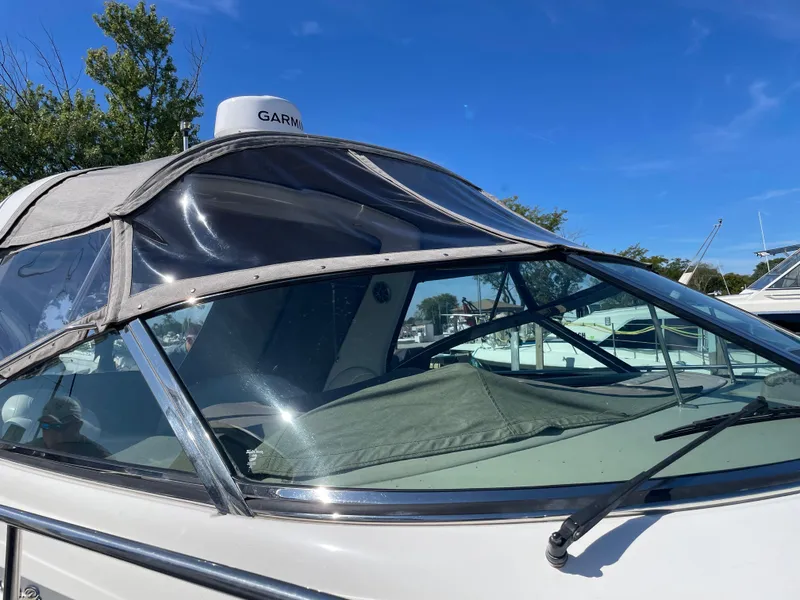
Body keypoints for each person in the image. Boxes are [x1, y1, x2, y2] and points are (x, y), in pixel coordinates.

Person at [31, 395, 109, 459]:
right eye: (45, 426)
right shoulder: (33, 447)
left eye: (58, 427)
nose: (51, 433)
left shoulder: (99, 457)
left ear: (78, 426)